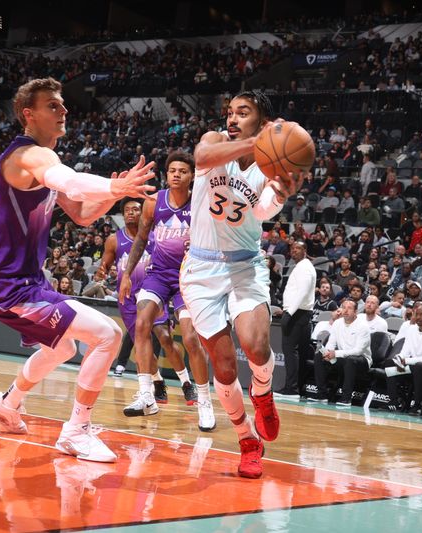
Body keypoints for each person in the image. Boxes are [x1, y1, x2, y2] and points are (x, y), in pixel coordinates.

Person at [0, 78, 155, 463]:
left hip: (21, 282)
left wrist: (117, 192)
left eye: (62, 105)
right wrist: (112, 183)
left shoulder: (40, 164)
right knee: (108, 335)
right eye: (53, 106)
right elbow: (71, 181)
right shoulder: (28, 157)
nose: (64, 111)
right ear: (29, 114)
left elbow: (83, 214)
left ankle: (8, 403)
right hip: (11, 287)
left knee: (65, 347)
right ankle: (75, 432)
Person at [181, 90, 301, 478]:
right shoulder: (215, 142)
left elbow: (263, 209)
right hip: (200, 270)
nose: (232, 118)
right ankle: (247, 440)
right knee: (225, 367)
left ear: (263, 122)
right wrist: (260, 141)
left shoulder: (270, 168)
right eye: (230, 112)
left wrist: (280, 195)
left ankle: (263, 393)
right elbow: (200, 158)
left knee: (256, 343)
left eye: (242, 113)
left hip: (244, 266)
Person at [118, 152, 215, 431]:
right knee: (142, 322)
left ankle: (204, 402)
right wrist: (127, 274)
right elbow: (141, 239)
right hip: (158, 274)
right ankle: (147, 394)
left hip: (188, 277)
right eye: (172, 170)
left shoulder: (200, 203)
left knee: (190, 338)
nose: (175, 174)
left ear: (191, 176)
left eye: (182, 171)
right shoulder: (153, 202)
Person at [98, 199, 175, 395]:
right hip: (129, 298)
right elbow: (105, 264)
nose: (131, 213)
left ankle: (180, 383)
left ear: (143, 213)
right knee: (142, 346)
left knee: (164, 337)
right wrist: (102, 270)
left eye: (135, 209)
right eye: (127, 210)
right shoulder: (114, 239)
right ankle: (156, 382)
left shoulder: (156, 236)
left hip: (154, 293)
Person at [274, 240, 316, 398]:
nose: (294, 251)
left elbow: (303, 292)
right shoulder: (301, 266)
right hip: (298, 313)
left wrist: (289, 313)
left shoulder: (305, 267)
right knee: (293, 352)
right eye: (292, 248)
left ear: (305, 250)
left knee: (290, 352)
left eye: (298, 248)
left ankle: (291, 389)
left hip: (298, 314)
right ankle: (292, 387)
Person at [384, 305, 422, 412]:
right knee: (389, 363)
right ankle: (393, 401)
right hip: (410, 365)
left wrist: (406, 361)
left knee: (418, 367)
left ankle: (417, 404)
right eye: (417, 314)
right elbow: (405, 351)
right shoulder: (411, 329)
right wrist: (399, 358)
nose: (418, 317)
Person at [314, 299, 372, 406]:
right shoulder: (337, 323)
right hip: (342, 358)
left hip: (361, 361)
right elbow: (331, 343)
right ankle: (322, 395)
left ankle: (346, 398)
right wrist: (327, 353)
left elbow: (358, 351)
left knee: (351, 360)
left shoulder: (363, 326)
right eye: (344, 307)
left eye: (349, 308)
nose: (346, 310)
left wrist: (335, 354)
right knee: (319, 355)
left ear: (355, 312)